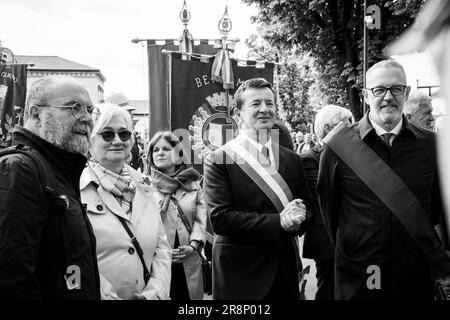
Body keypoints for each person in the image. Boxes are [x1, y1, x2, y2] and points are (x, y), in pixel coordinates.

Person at [317, 59, 450, 299]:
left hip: (414, 273)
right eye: (379, 90)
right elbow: (330, 212)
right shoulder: (337, 147)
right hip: (361, 274)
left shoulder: (432, 146)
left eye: (396, 88)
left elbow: (436, 209)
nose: (388, 96)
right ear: (367, 95)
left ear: (406, 93)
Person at [203, 78, 314, 300]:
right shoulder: (219, 159)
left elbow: (309, 208)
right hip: (242, 276)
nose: (264, 109)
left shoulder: (292, 159)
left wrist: (302, 217)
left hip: (285, 271)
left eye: (269, 103)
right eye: (255, 104)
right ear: (239, 113)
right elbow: (221, 219)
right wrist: (279, 221)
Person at [0, 76, 100, 299]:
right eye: (75, 108)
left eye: (89, 110)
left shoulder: (61, 169)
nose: (86, 119)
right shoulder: (19, 170)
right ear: (37, 114)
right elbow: (11, 280)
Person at [80, 104, 171, 300]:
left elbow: (161, 249)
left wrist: (153, 294)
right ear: (90, 139)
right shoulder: (75, 188)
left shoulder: (145, 185)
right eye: (107, 134)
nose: (117, 141)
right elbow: (77, 258)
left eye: (124, 134)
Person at [301, 105, 353, 300]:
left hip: (351, 234)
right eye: (346, 125)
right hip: (326, 237)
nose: (352, 129)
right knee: (328, 287)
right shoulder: (309, 158)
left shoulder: (352, 156)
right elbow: (323, 194)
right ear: (327, 129)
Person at [147, 131, 207, 300]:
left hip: (188, 257)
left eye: (165, 149)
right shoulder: (144, 185)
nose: (159, 153)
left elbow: (200, 219)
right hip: (156, 259)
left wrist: (194, 246)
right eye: (155, 150)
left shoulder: (193, 184)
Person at [105, 91, 140, 170]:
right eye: (128, 112)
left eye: (130, 112)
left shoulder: (130, 134)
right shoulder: (103, 137)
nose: (132, 115)